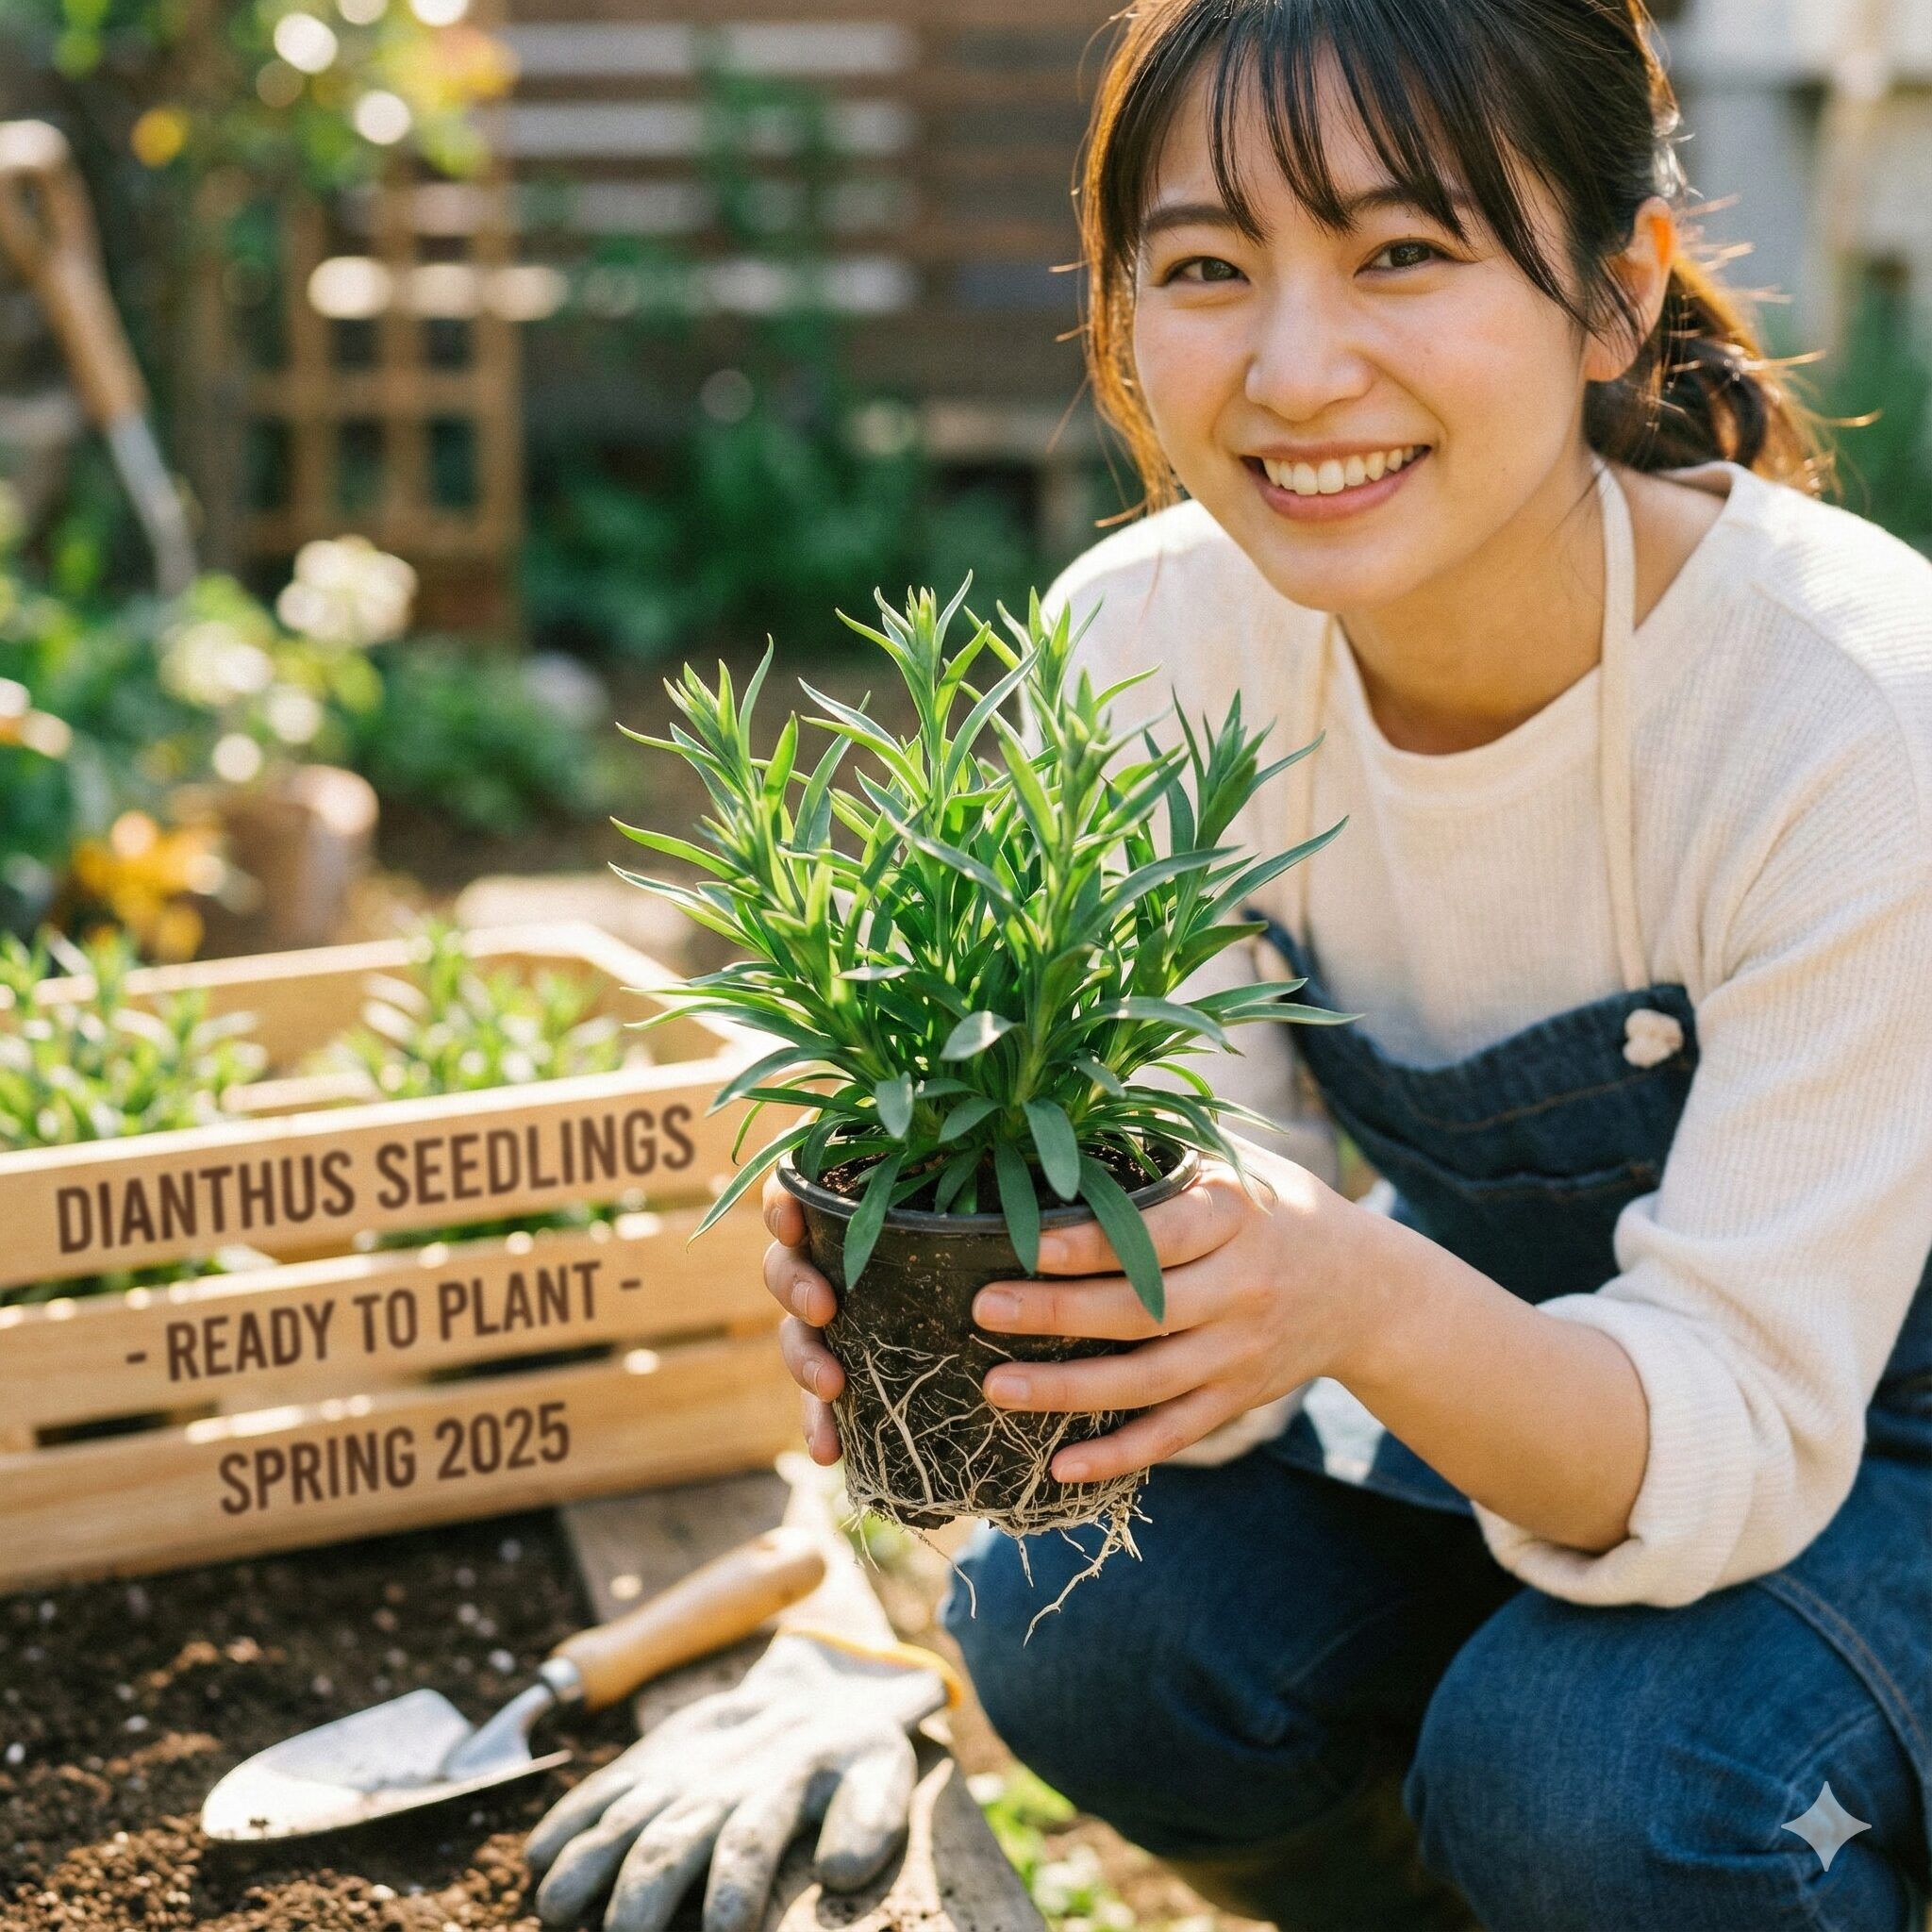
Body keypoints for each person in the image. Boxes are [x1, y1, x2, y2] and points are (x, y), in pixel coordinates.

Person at [758, 2, 1932, 1925]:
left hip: (1869, 1440)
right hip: (1534, 1417)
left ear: (1614, 290)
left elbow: (1740, 1423)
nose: (1297, 370)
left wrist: (1350, 1293)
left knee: (1594, 1785)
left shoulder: (1842, 706)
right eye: (1208, 267)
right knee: (1080, 1621)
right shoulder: (1139, 647)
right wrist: (999, 1286)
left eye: (1401, 251)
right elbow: (1211, 1258)